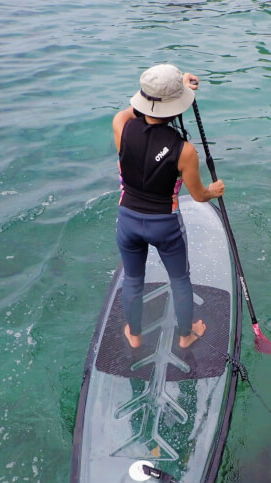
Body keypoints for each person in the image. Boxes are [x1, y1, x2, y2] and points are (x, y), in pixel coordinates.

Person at [112, 64, 225, 350]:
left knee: (133, 279)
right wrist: (214, 191)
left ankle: (134, 336)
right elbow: (198, 195)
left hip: (127, 220)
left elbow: (139, 109)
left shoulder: (120, 124)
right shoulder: (184, 150)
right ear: (176, 107)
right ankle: (186, 335)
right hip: (164, 224)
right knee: (180, 280)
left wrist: (174, 89)